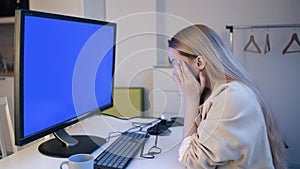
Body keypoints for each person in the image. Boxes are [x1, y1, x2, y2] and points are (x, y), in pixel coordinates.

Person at [168, 24, 286, 169]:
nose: (174, 74)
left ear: (199, 62)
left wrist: (190, 99)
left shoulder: (232, 97)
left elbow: (192, 162)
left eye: (175, 64)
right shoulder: (214, 92)